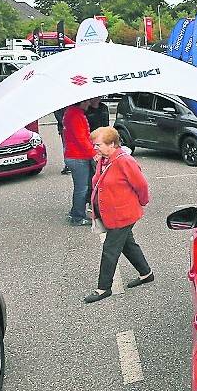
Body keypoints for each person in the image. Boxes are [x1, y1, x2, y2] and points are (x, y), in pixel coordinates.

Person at [85, 127, 153, 304]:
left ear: (113, 144)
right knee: (128, 244)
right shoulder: (105, 159)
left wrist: (142, 202)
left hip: (123, 214)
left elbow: (142, 186)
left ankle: (103, 288)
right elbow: (98, 182)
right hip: (112, 213)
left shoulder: (125, 161)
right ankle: (146, 274)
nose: (95, 148)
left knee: (110, 250)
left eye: (98, 145)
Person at [61, 102, 95, 227]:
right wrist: (94, 154)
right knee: (82, 188)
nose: (89, 103)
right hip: (78, 157)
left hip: (74, 156)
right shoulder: (75, 115)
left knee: (80, 187)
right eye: (87, 101)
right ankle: (77, 217)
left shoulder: (72, 113)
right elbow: (81, 139)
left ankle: (74, 212)